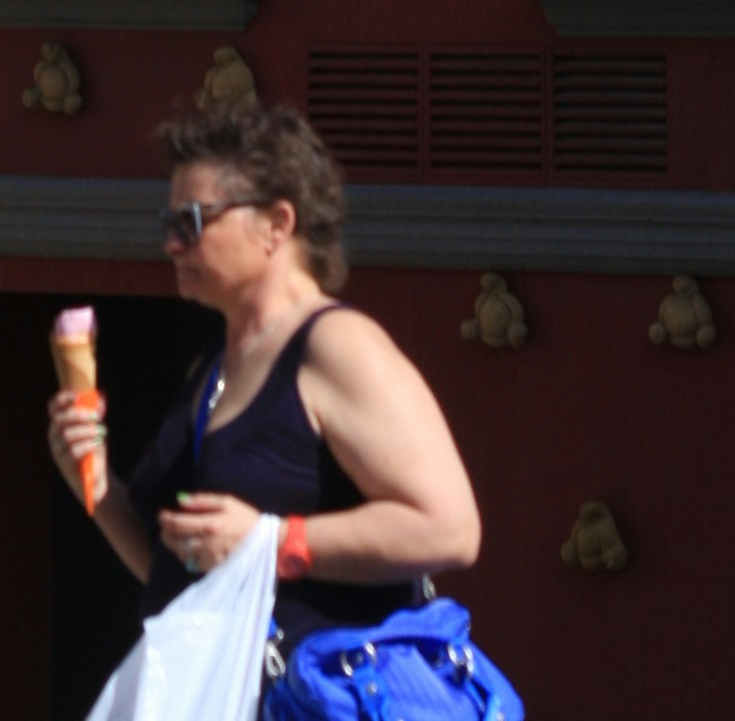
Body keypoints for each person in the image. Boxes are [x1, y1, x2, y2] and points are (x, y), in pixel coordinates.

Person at [46, 102, 481, 685]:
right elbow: (179, 566)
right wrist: (95, 490)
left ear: (278, 224)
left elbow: (450, 528)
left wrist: (273, 541)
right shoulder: (212, 369)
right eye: (168, 225)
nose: (172, 245)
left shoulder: (338, 345)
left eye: (192, 222)